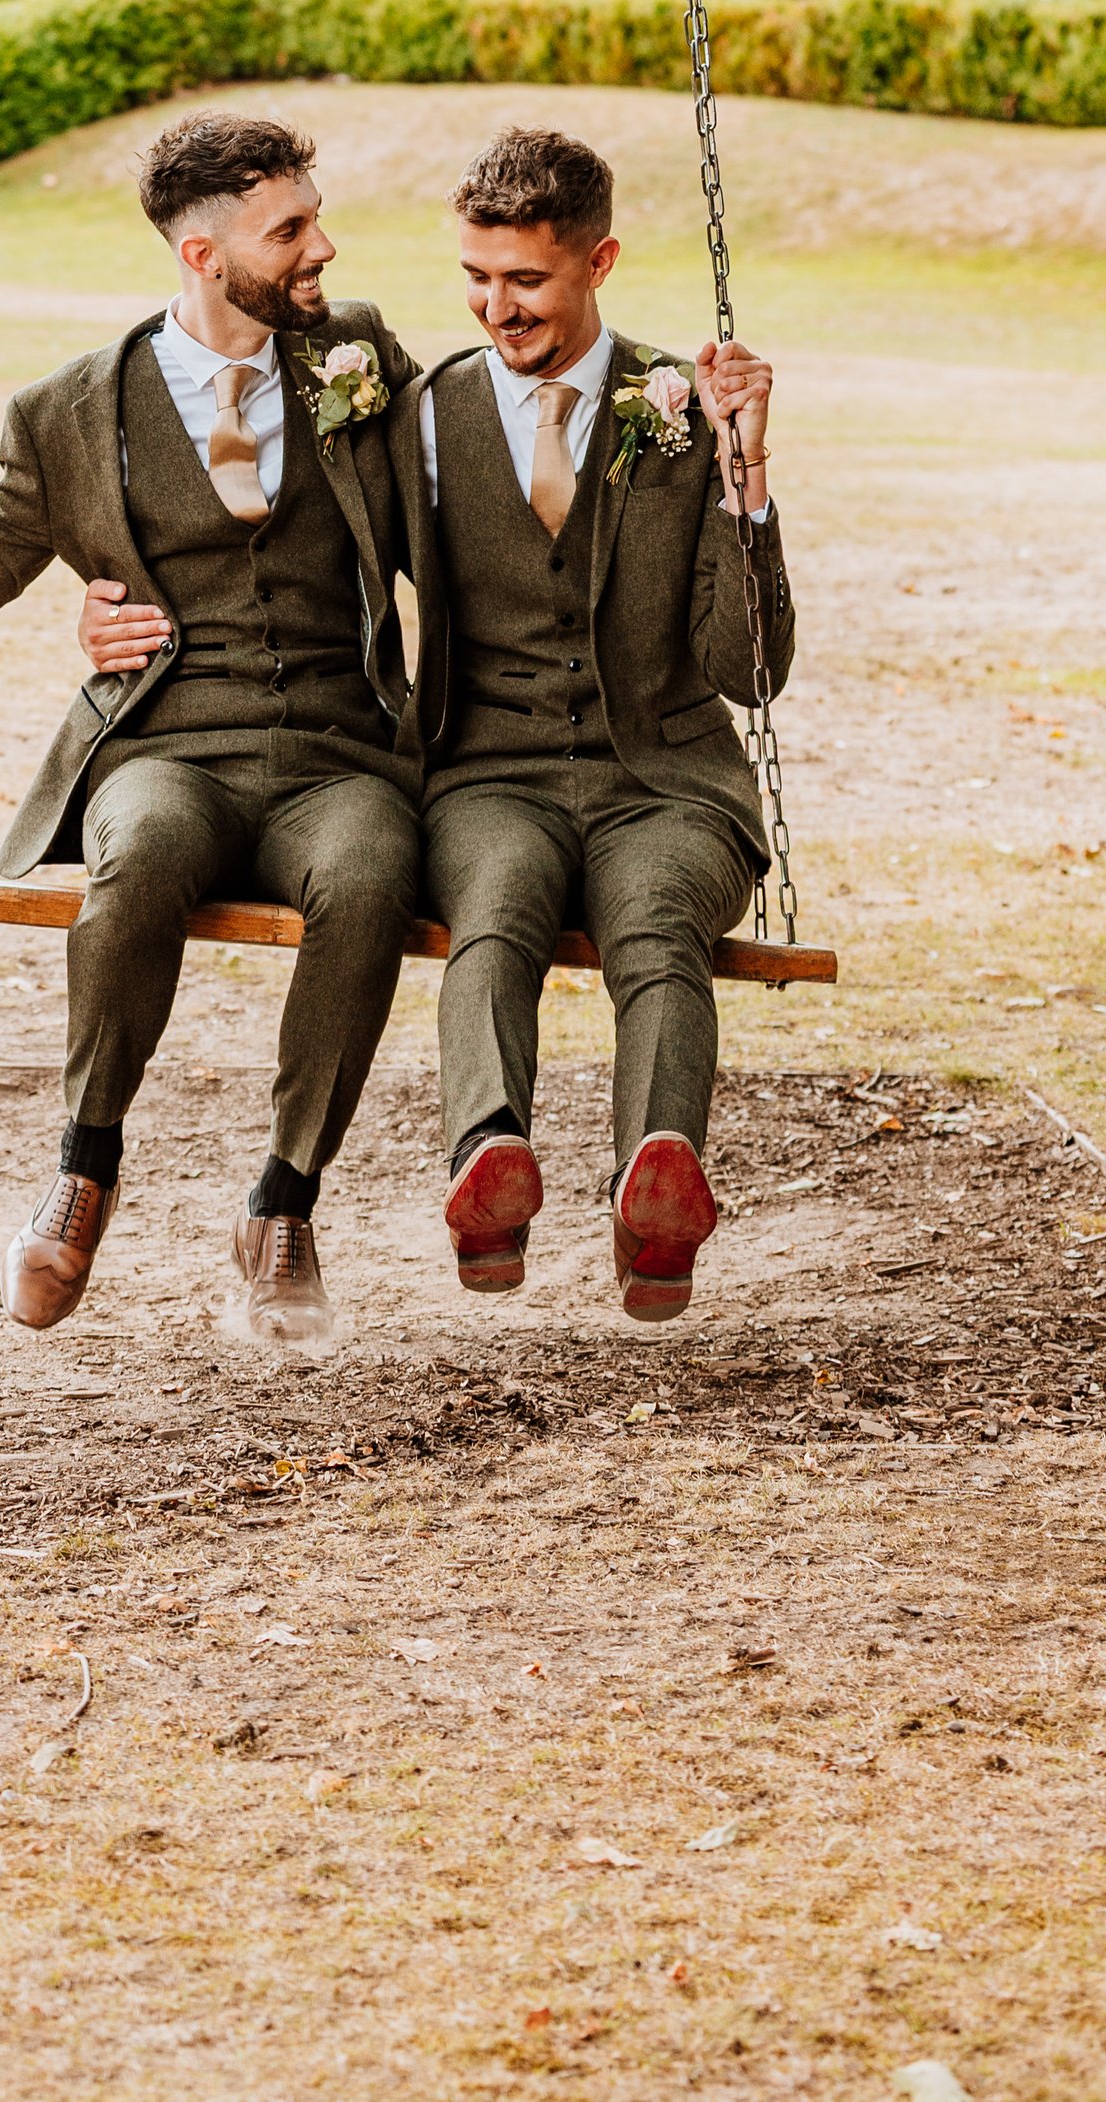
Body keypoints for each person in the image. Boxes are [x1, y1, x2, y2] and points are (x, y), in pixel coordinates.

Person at [0, 113, 434, 1348]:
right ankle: (83, 1168)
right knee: (133, 866)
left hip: (338, 752)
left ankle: (282, 1205)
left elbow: (452, 507)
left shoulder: (358, 357)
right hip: (168, 745)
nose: (321, 248)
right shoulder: (71, 409)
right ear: (201, 254)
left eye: (313, 218)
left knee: (371, 871)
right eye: (288, 230)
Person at [415, 125, 791, 1322]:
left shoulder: (674, 413)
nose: (496, 306)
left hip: (666, 777)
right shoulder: (424, 413)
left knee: (656, 925)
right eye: (476, 277)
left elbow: (750, 668)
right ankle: (491, 1160)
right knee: (494, 910)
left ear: (599, 262)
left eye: (526, 279)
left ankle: (660, 1187)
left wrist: (744, 477)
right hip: (492, 774)